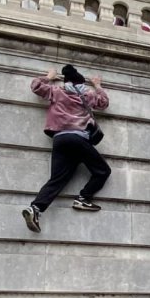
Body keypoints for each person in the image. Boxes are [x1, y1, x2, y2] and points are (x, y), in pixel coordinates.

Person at [22, 65, 111, 233]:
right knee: (102, 171)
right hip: (78, 139)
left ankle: (35, 208)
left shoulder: (57, 92)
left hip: (59, 139)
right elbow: (104, 102)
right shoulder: (87, 95)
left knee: (58, 179)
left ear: (66, 82)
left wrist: (48, 77)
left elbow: (36, 86)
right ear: (81, 83)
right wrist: (98, 85)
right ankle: (83, 198)